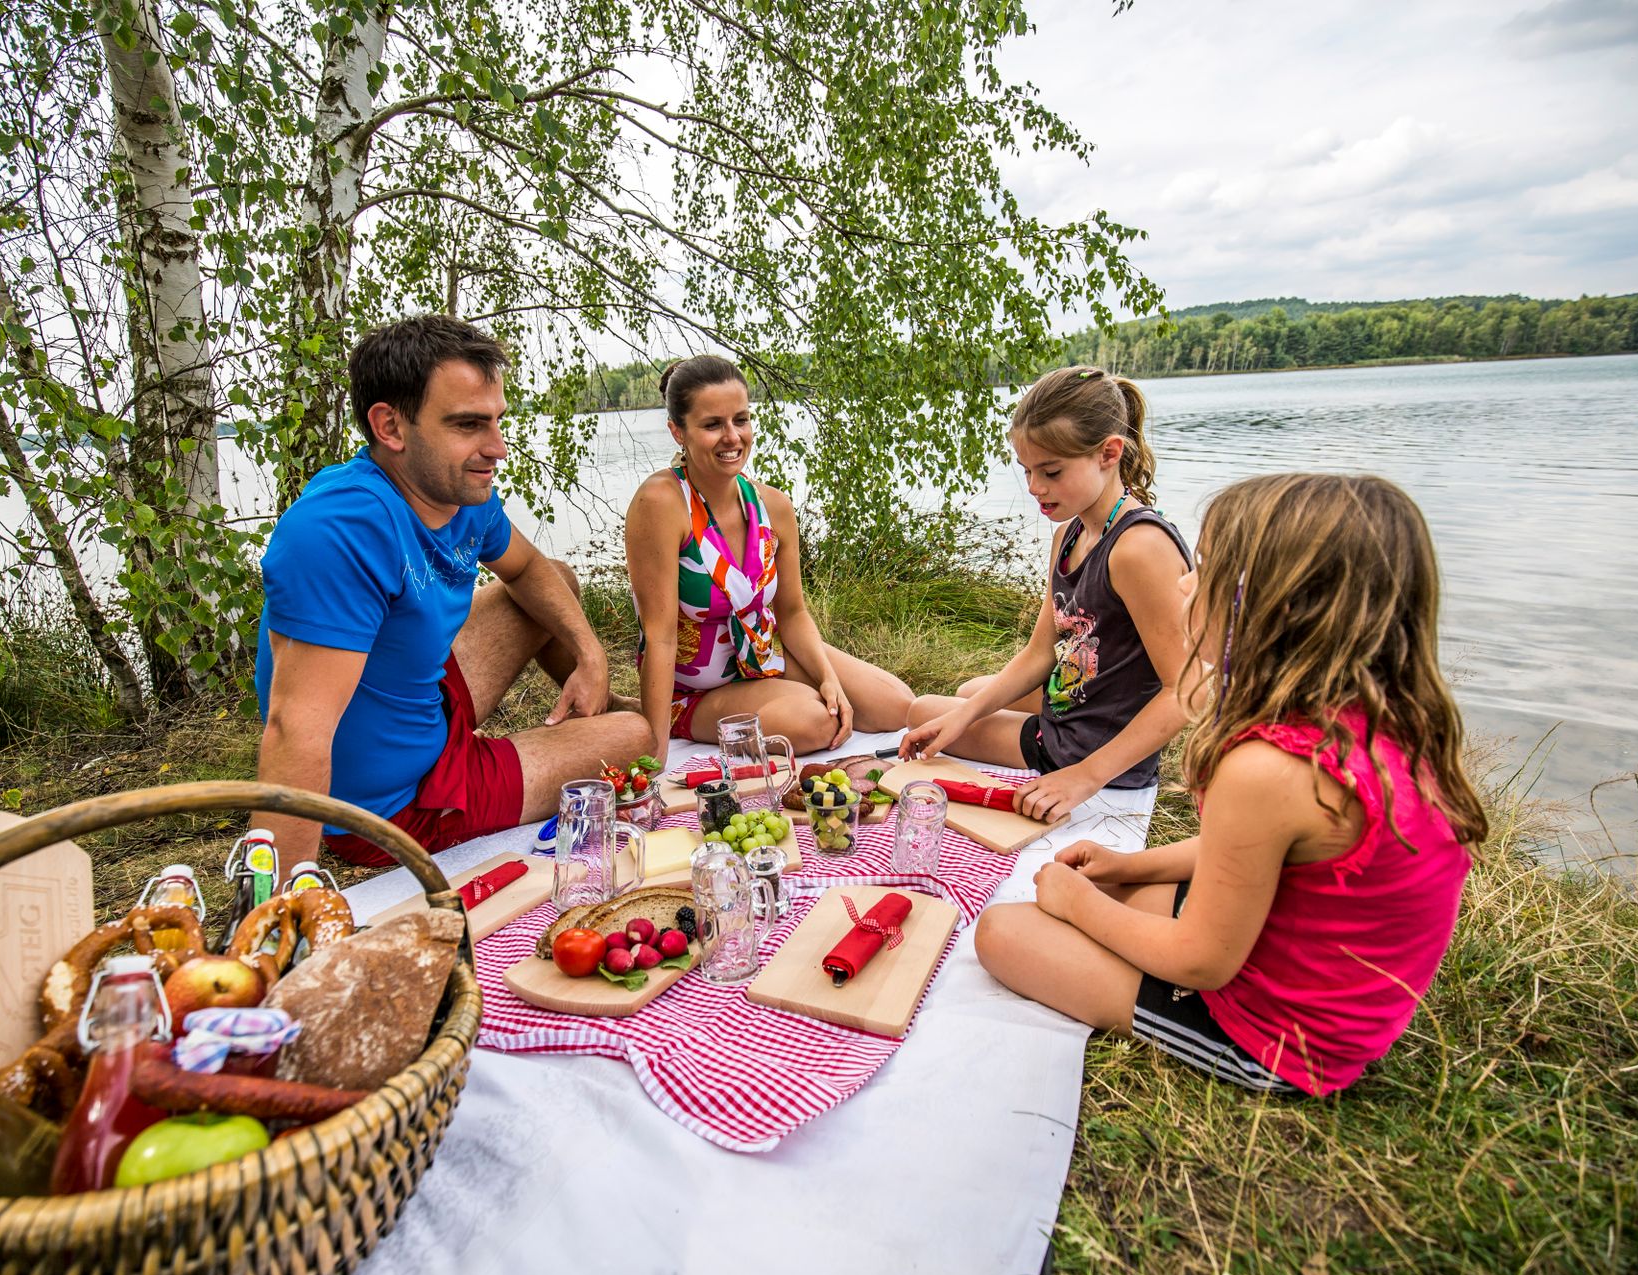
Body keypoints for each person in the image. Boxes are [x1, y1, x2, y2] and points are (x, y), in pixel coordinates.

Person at [975, 473, 1488, 1097]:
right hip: (1299, 955)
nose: (1185, 580)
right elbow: (1247, 853)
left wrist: (1075, 903)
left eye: (1207, 567)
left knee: (1004, 934)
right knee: (1123, 900)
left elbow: (1201, 960)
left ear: (1271, 604)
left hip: (1284, 1039)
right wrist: (1127, 868)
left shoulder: (1266, 770)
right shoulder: (1378, 723)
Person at [253, 315, 653, 876]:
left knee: (556, 580)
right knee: (639, 737)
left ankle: (580, 713)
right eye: (469, 425)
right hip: (399, 804)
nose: (498, 448)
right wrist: (277, 911)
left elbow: (531, 568)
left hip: (426, 699)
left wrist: (590, 656)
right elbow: (296, 728)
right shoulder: (340, 529)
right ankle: (565, 740)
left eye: (496, 421)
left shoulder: (462, 494)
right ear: (389, 426)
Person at [899, 366, 1191, 825]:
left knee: (922, 708)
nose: (1035, 487)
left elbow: (1187, 688)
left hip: (1088, 749)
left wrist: (1084, 777)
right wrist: (967, 716)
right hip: (1073, 707)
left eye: (1051, 471)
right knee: (966, 697)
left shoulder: (1139, 550)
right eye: (1028, 470)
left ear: (1108, 453)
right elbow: (1041, 653)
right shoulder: (1070, 534)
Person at [625, 355, 913, 758]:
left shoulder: (773, 506)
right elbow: (660, 636)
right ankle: (662, 717)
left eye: (740, 420)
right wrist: (652, 753)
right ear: (678, 432)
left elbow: (793, 613)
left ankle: (791, 691)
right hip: (695, 691)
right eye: (713, 425)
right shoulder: (660, 503)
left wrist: (827, 677)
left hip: (762, 654)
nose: (732, 437)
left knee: (897, 706)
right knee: (816, 722)